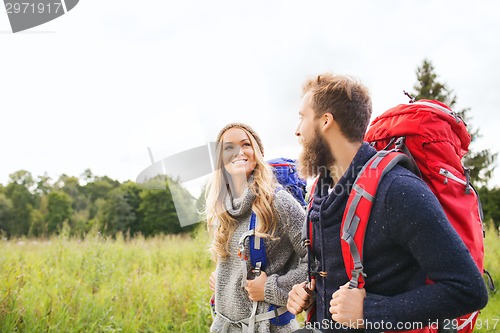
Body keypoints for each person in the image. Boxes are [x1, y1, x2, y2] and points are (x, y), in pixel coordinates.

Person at [286, 73, 488, 332]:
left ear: (326, 121)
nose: (297, 129)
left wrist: (369, 311)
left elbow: (468, 290)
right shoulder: (320, 192)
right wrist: (310, 292)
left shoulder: (397, 190)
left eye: (302, 117)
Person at [206, 123, 308, 332]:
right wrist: (224, 279)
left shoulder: (278, 202)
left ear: (257, 153)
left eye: (246, 144)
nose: (239, 152)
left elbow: (319, 260)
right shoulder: (223, 209)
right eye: (228, 147)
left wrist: (271, 288)